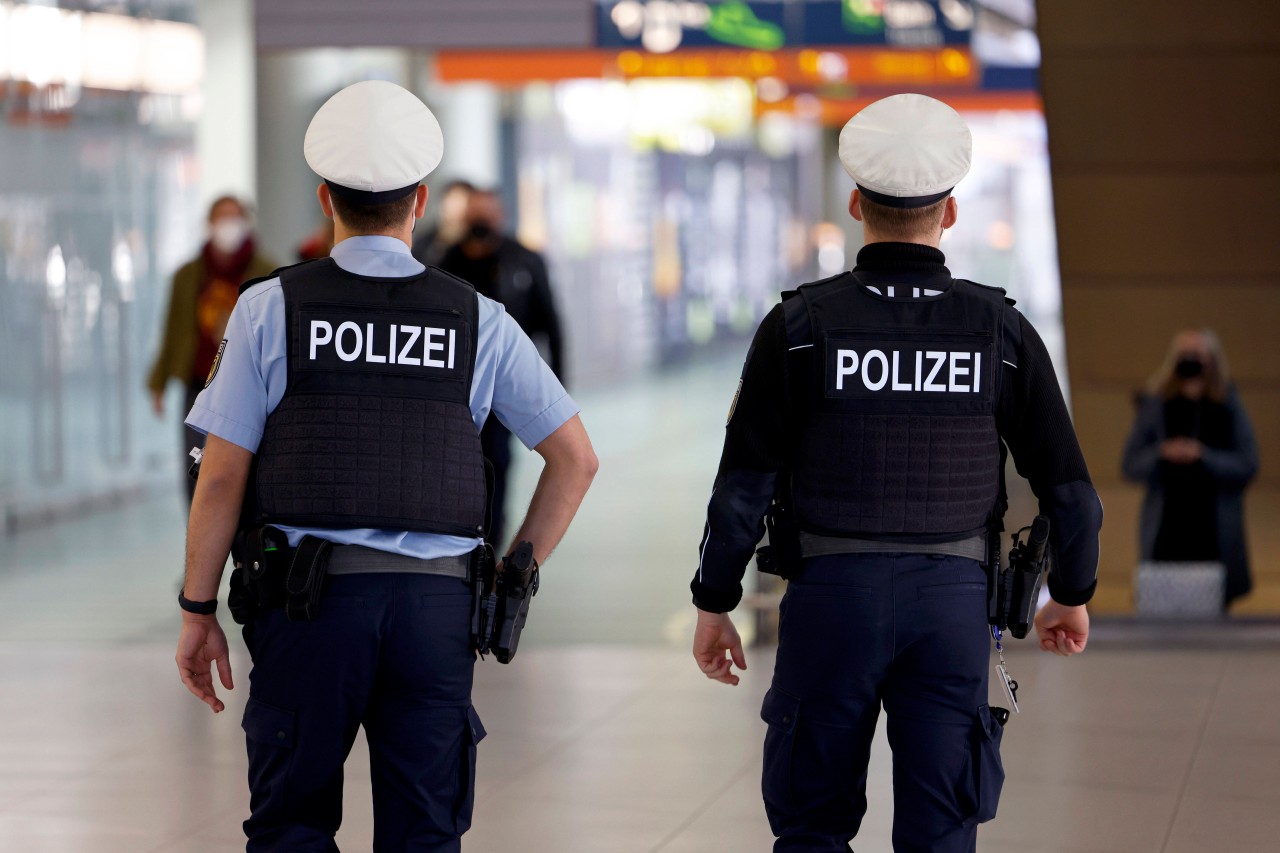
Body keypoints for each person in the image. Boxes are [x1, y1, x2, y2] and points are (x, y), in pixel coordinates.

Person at [173, 80, 597, 851]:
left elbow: (223, 474)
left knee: (291, 827)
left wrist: (196, 609)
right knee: (424, 833)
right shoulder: (478, 318)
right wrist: (511, 578)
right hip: (435, 616)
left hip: (307, 610)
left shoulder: (270, 307)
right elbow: (574, 459)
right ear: (422, 201)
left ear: (324, 197)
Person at [688, 94, 1103, 852]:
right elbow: (1072, 492)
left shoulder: (799, 328)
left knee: (811, 823)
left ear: (855, 203)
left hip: (828, 600)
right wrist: (1070, 594)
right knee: (941, 825)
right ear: (949, 213)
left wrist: (716, 601)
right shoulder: (1000, 331)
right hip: (950, 607)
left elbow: (741, 490)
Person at [439, 188, 566, 548]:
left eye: (486, 215)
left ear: (500, 217)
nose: (480, 224)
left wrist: (557, 385)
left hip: (502, 387)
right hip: (455, 389)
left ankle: (490, 545)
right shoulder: (444, 259)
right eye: (473, 216)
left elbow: (552, 324)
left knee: (496, 463)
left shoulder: (524, 260)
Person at [147, 195, 277, 502]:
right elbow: (174, 330)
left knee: (244, 466)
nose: (228, 225)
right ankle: (198, 531)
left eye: (235, 217)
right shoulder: (189, 275)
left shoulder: (267, 271)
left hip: (247, 387)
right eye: (222, 217)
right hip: (199, 386)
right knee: (195, 465)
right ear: (209, 223)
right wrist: (159, 383)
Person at [1121, 328, 1258, 607]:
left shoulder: (1228, 404)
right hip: (1165, 535)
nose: (1191, 361)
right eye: (1185, 354)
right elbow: (1130, 464)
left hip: (1213, 534)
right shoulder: (1156, 403)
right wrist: (1162, 452)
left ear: (1212, 361)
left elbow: (1248, 463)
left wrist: (1204, 456)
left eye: (1198, 354)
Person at [410, 178, 475, 267]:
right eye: (451, 199)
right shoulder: (425, 239)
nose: (453, 206)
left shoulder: (476, 245)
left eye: (460, 200)